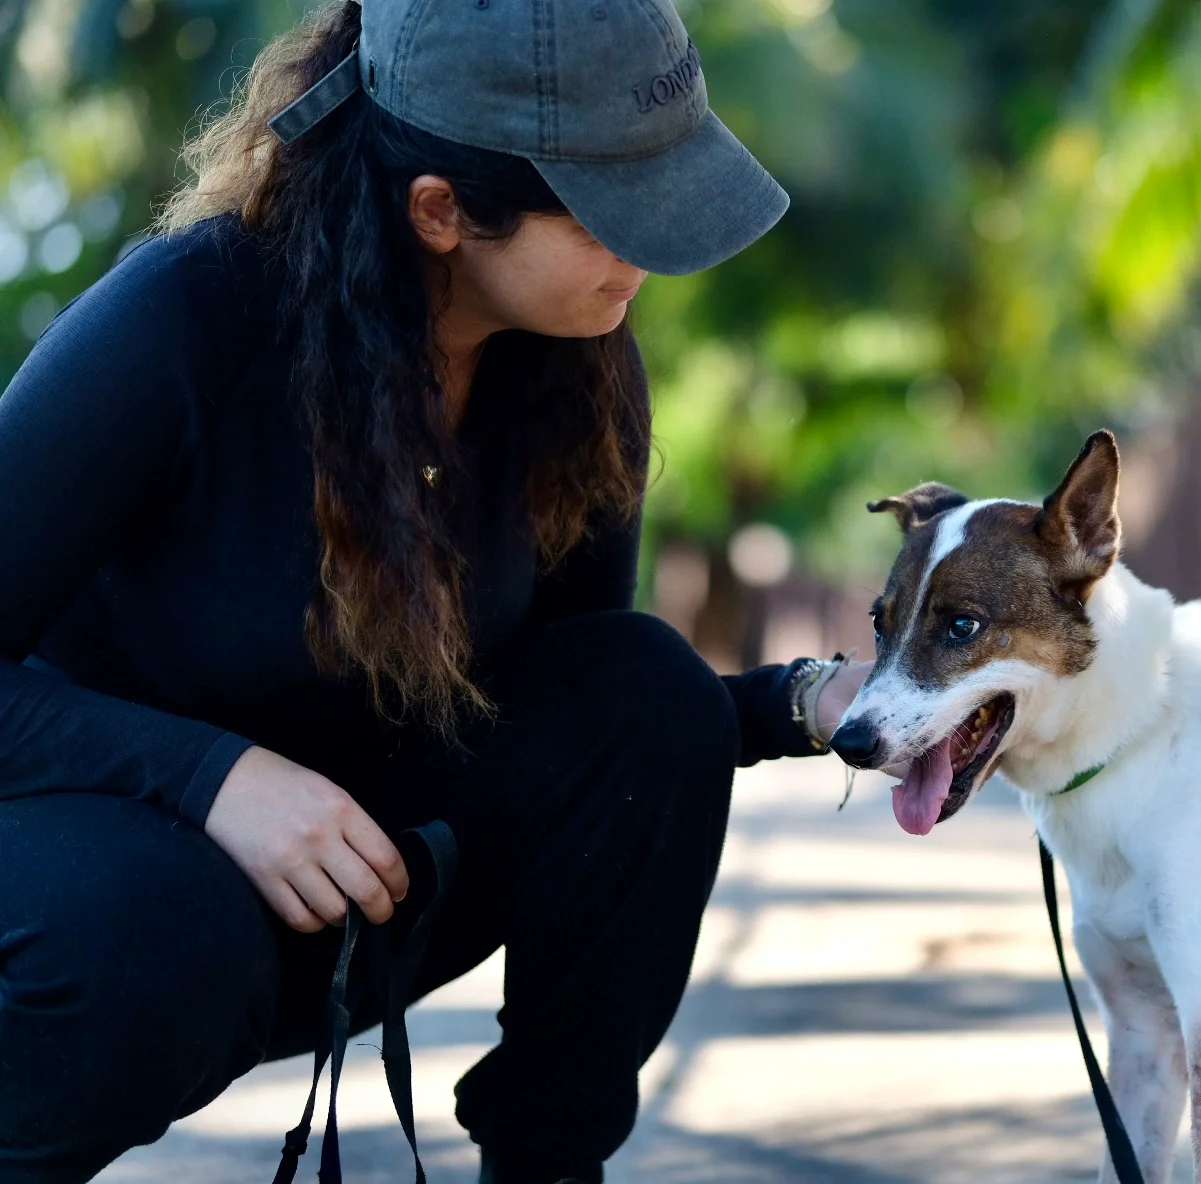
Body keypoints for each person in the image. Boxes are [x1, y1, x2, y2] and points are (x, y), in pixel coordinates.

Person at [0, 0, 868, 1181]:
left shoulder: (579, 361)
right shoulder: (183, 319)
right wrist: (211, 778)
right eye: (615, 214)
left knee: (645, 691)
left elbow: (578, 714)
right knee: (163, 937)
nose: (653, 252)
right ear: (441, 210)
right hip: (94, 875)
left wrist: (822, 706)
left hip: (340, 882)